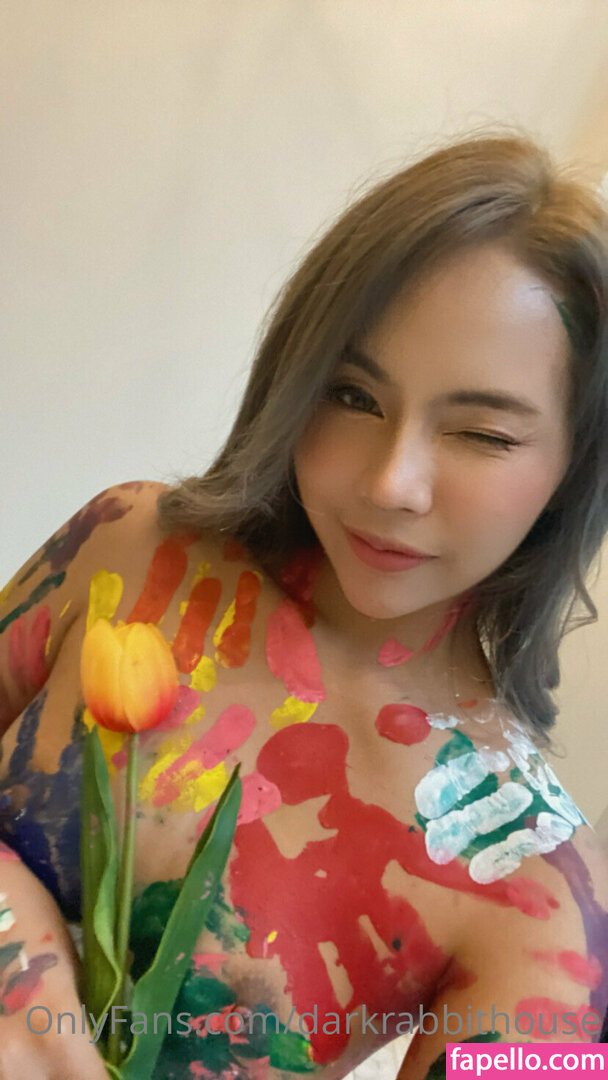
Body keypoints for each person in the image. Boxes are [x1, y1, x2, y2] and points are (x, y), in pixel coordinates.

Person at [1, 129, 608, 1080]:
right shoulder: (127, 546)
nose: (392, 482)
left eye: (483, 434)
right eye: (354, 396)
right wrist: (20, 968)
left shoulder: (550, 899)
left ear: (575, 466)